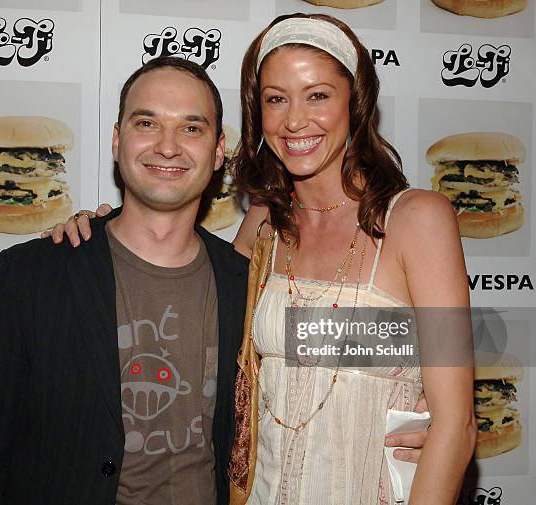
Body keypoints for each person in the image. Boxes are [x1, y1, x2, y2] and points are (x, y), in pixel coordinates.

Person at [45, 14, 474, 504]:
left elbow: (455, 423)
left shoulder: (419, 220)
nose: (294, 120)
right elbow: (183, 285)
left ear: (355, 104)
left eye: (318, 95)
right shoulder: (264, 227)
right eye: (275, 98)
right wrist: (99, 230)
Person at [0, 57, 249, 505]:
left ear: (219, 149)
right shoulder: (32, 274)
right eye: (147, 123)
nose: (168, 147)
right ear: (116, 139)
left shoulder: (245, 280)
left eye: (191, 128)